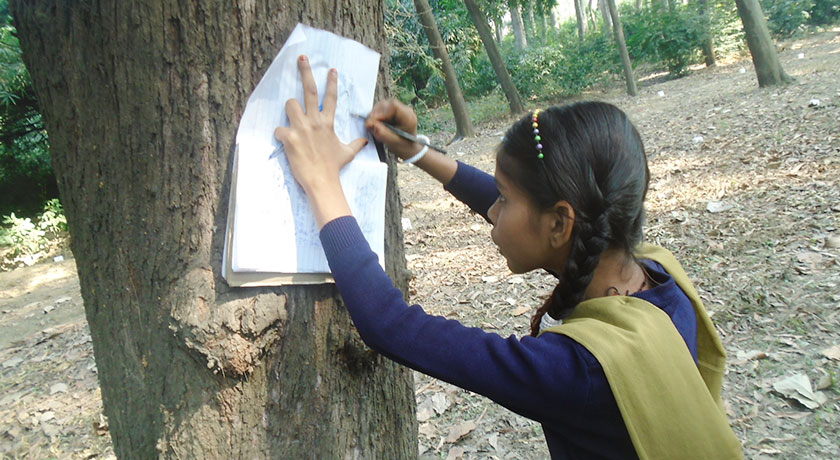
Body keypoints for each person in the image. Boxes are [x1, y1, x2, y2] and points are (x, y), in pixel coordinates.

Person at [274, 55, 743, 459]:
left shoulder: (577, 372)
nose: (492, 211)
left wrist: (322, 181)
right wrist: (416, 152)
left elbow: (390, 325)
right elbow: (527, 213)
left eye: (504, 197)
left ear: (560, 223)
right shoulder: (657, 277)